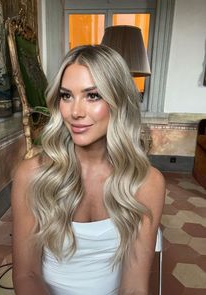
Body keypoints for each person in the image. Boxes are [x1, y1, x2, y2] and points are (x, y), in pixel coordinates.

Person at [11, 44, 165, 295]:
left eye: (92, 95)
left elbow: (135, 286)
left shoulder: (147, 183)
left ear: (118, 101)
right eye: (66, 95)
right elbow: (26, 274)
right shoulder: (32, 175)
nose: (75, 112)